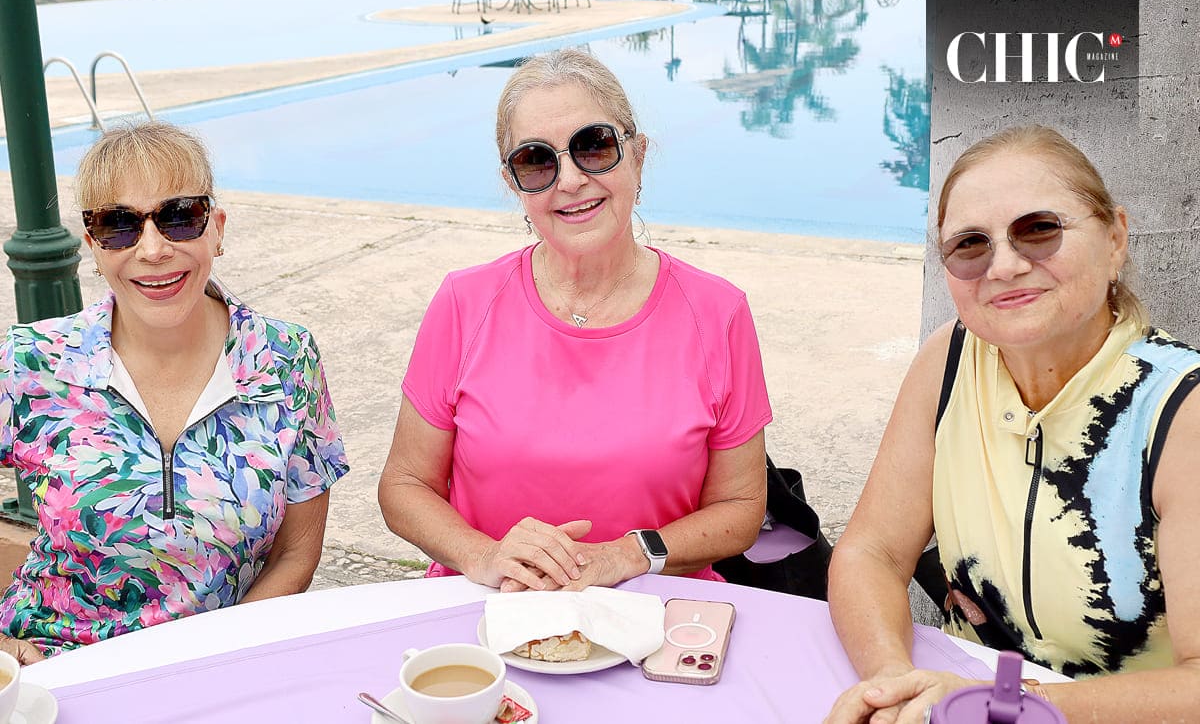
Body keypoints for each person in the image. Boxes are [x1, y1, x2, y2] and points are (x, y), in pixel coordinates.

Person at [825, 125, 1200, 723]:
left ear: (1115, 239)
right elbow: (872, 552)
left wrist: (1009, 705)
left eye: (1039, 229)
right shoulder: (950, 360)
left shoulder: (1181, 413)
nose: (1003, 266)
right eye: (970, 245)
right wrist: (893, 684)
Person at [378, 48, 771, 592]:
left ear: (638, 156)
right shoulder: (463, 302)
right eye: (536, 161)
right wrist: (485, 555)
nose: (569, 180)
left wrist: (629, 555)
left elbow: (741, 507)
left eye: (593, 146)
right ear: (514, 183)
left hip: (658, 610)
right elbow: (404, 485)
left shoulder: (718, 313)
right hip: (490, 609)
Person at [0, 121, 349, 662]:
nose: (153, 249)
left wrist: (216, 663)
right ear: (94, 246)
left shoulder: (284, 359)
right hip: (53, 663)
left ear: (217, 229)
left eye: (180, 217)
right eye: (118, 225)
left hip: (219, 664)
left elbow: (296, 554)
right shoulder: (31, 362)